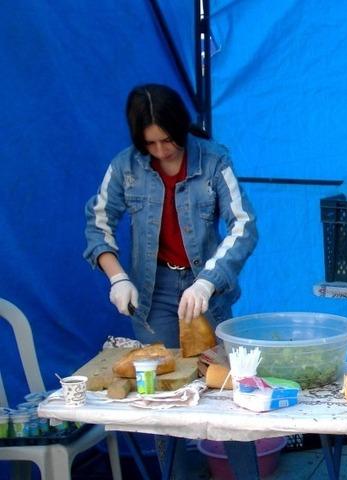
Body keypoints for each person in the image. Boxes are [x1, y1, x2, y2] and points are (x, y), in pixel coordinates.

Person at [83, 83, 259, 478]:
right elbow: (98, 224)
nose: (162, 151)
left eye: (168, 141)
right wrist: (117, 278)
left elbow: (244, 226)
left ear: (182, 129)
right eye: (151, 143)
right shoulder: (124, 167)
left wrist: (208, 282)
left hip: (206, 293)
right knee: (165, 400)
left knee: (227, 391)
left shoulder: (214, 161)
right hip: (153, 294)